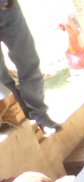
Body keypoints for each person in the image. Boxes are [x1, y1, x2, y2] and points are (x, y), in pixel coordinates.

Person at [0, 0, 61, 133]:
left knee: (29, 62)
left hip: (7, 8)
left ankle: (40, 116)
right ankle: (23, 117)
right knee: (2, 80)